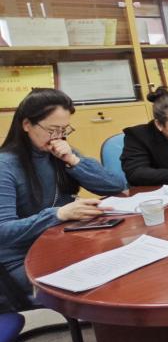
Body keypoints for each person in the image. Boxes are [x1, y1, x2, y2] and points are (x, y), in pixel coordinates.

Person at [0, 89, 126, 308]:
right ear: (27, 124)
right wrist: (58, 214)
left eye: (63, 129)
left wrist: (73, 160)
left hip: (62, 240)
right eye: (51, 129)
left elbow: (114, 186)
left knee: (120, 264)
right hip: (23, 257)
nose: (58, 136)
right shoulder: (5, 166)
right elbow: (3, 231)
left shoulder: (59, 151)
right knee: (102, 283)